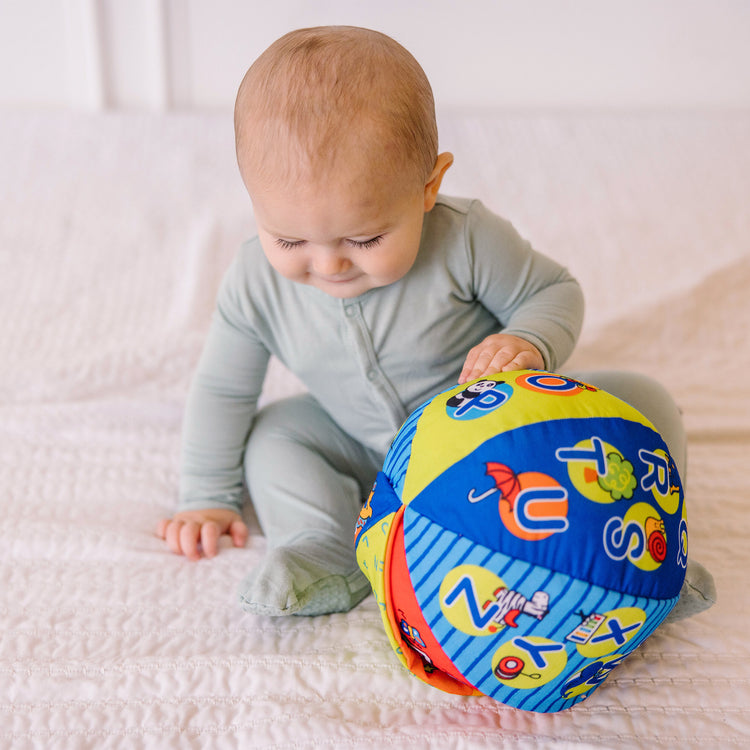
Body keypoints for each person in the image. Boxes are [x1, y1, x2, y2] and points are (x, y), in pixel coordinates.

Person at [157, 26, 714, 619]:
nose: (328, 264)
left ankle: (651, 553)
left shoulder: (464, 238)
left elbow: (552, 292)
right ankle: (321, 545)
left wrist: (526, 340)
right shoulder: (253, 282)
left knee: (644, 400)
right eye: (288, 237)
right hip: (360, 441)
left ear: (429, 186)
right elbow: (223, 389)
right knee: (274, 437)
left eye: (365, 237)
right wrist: (207, 496)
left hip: (496, 441)